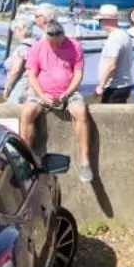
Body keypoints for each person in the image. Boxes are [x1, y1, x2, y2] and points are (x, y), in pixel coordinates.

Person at [21, 17, 93, 181]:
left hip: (69, 92)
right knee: (27, 112)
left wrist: (68, 92)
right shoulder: (37, 47)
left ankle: (85, 160)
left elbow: (78, 74)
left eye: (57, 43)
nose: (54, 46)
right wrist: (41, 94)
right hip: (42, 92)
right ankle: (25, 159)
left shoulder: (75, 46)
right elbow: (31, 75)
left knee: (80, 112)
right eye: (51, 43)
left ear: (63, 36)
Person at [3, 5, 56, 102]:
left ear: (20, 30)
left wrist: (7, 88)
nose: (15, 35)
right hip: (32, 87)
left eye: (15, 31)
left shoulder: (22, 48)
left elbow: (16, 70)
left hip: (19, 87)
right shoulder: (36, 45)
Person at [95, 5, 134, 104]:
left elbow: (112, 66)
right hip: (123, 84)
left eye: (100, 20)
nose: (100, 23)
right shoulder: (124, 35)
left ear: (106, 20)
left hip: (114, 86)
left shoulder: (114, 38)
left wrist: (101, 86)